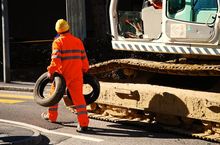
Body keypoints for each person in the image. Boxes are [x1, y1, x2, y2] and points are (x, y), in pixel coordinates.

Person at [41, 19, 90, 132]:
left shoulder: (58, 42)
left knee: (54, 95)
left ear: (57, 31)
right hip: (77, 74)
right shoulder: (78, 41)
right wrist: (85, 69)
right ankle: (83, 124)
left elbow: (55, 60)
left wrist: (51, 71)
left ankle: (52, 117)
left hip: (62, 75)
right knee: (79, 99)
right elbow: (84, 58)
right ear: (68, 28)